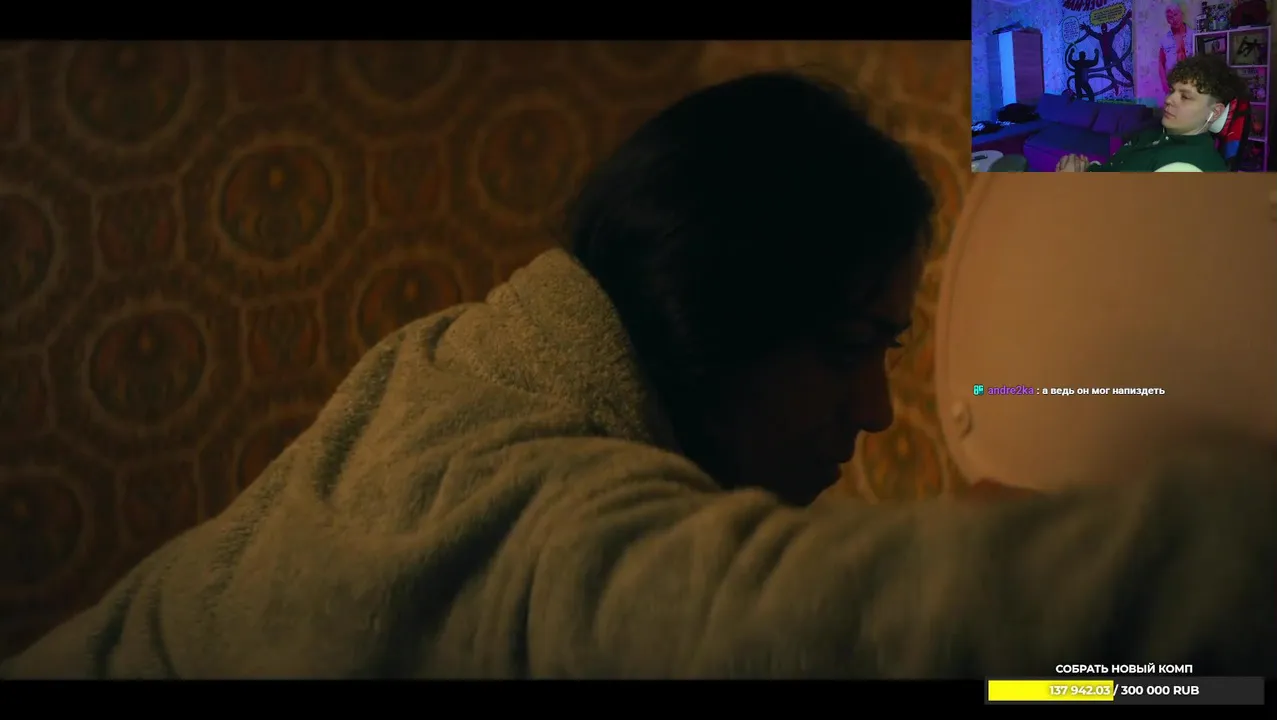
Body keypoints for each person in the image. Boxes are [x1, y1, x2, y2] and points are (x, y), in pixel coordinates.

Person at [4, 71, 1275, 679]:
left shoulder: (466, 359)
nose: (877, 413)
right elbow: (839, 626)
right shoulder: (535, 529)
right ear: (714, 308)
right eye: (848, 350)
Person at [1056, 54, 1245, 172]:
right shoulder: (1152, 134)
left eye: (1185, 97)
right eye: (1172, 91)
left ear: (1215, 112)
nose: (1169, 99)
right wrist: (1090, 168)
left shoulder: (1186, 167)